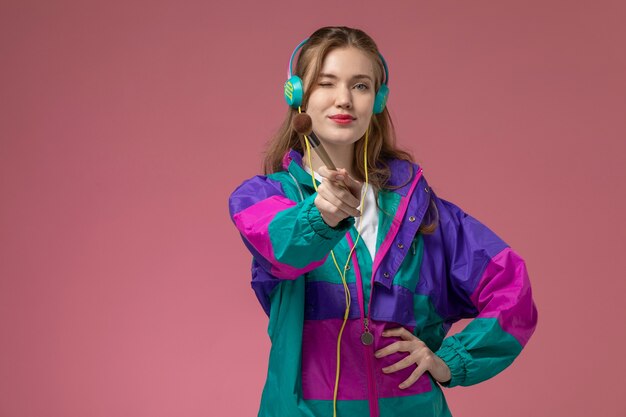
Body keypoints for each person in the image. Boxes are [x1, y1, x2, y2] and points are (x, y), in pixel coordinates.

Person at [228, 26, 537, 417]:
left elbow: (512, 287)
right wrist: (322, 214)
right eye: (326, 83)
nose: (344, 99)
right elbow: (283, 249)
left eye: (360, 86)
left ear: (377, 100)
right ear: (297, 94)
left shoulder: (419, 212)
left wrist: (451, 361)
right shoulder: (263, 200)